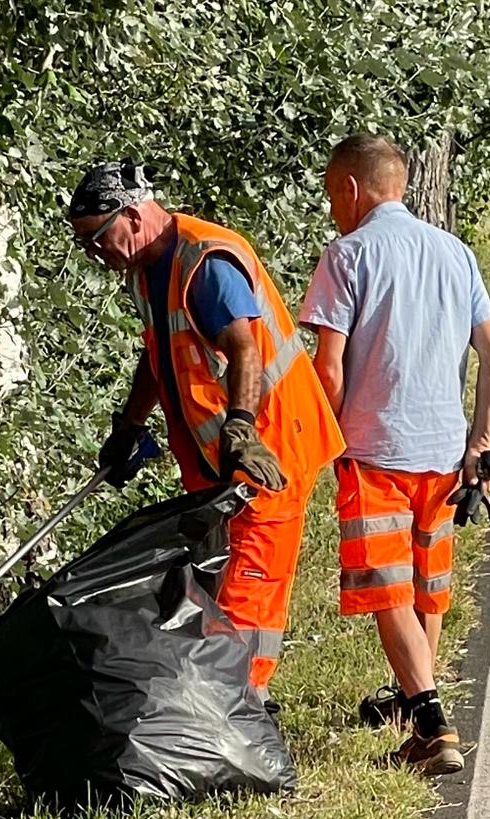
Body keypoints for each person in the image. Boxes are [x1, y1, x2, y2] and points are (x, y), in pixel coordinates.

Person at [68, 160, 344, 709]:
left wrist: (241, 429)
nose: (96, 255)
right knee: (217, 575)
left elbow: (244, 348)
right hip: (224, 455)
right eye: (86, 246)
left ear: (134, 214)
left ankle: (241, 706)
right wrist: (129, 425)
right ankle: (231, 698)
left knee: (250, 579)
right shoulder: (147, 270)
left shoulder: (202, 263)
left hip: (270, 443)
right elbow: (158, 355)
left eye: (99, 239)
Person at [299, 134, 490, 774]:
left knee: (388, 587)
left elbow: (328, 369)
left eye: (333, 195)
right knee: (427, 584)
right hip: (445, 451)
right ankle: (418, 701)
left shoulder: (347, 255)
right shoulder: (454, 252)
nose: (333, 209)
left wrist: (318, 440)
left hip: (373, 449)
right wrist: (480, 444)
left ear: (350, 190)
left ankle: (432, 720)